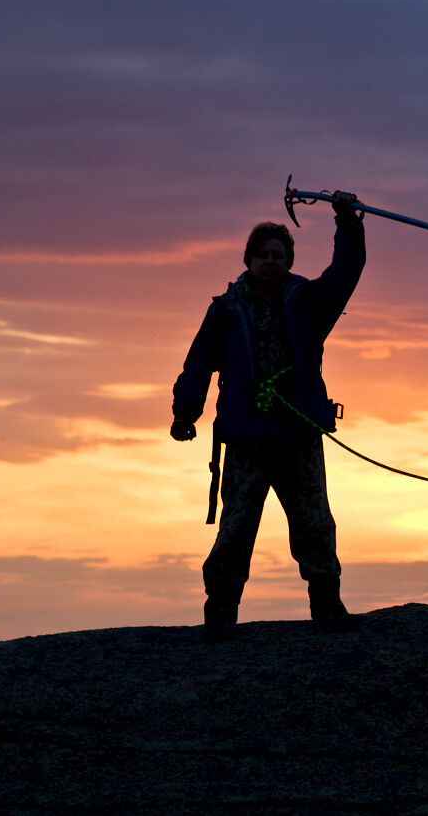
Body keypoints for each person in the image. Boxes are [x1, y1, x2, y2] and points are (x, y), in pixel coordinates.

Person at [171, 193, 365, 637]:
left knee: (315, 524)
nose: (271, 262)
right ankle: (221, 612)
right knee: (235, 528)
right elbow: (198, 363)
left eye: (278, 255)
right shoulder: (226, 310)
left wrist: (348, 224)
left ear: (289, 261)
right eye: (264, 255)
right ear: (250, 260)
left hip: (299, 437)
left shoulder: (309, 303)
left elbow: (345, 272)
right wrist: (185, 413)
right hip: (247, 441)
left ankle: (327, 605)